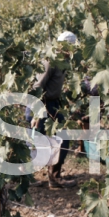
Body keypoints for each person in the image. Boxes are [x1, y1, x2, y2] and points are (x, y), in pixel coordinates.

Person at [26, 31, 77, 189]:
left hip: (53, 104)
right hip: (41, 105)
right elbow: (37, 87)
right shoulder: (50, 61)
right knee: (36, 141)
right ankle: (27, 177)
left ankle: (54, 176)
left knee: (61, 138)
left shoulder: (63, 61)